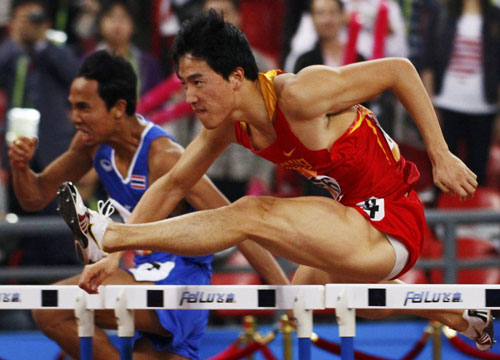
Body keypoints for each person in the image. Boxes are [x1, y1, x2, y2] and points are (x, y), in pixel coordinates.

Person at [60, 11, 494, 351]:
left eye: (197, 82)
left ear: (235, 77)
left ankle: (109, 231)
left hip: (392, 220)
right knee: (309, 294)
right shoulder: (228, 125)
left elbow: (399, 70)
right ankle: (458, 315)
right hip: (352, 224)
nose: (188, 96)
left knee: (251, 211)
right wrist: (115, 259)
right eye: (183, 84)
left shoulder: (301, 94)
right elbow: (174, 184)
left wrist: (440, 154)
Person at [10, 50, 289, 360]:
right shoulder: (91, 145)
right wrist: (21, 168)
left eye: (84, 108)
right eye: (73, 107)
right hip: (140, 274)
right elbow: (35, 197)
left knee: (52, 310)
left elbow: (238, 225)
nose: (74, 117)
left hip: (180, 282)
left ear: (118, 108)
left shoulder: (165, 156)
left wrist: (285, 291)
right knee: (57, 311)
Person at [0, 0, 79, 266]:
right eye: (23, 18)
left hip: (53, 147)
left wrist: (41, 42)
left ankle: (60, 277)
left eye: (34, 18)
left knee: (57, 220)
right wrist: (16, 40)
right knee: (18, 222)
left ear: (45, 23)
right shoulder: (12, 52)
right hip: (16, 144)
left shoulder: (56, 48)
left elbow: (73, 73)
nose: (29, 24)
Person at [421, 0, 500, 186]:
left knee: (477, 173)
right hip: (446, 104)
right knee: (442, 171)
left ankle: (473, 215)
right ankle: (442, 212)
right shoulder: (442, 12)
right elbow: (428, 61)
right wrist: (429, 106)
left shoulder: (494, 16)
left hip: (483, 108)